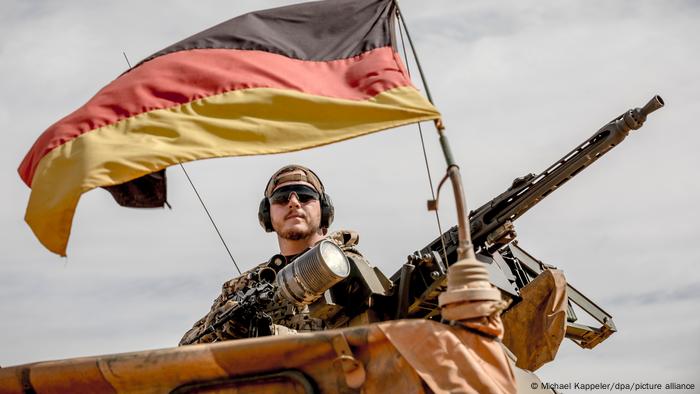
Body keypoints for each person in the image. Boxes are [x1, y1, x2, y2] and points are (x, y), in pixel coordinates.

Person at [179, 164, 384, 345]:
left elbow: (373, 336)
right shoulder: (243, 285)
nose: (293, 203)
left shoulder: (343, 266)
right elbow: (186, 350)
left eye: (305, 196)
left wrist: (271, 334)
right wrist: (227, 326)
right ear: (267, 214)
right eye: (281, 198)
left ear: (323, 210)